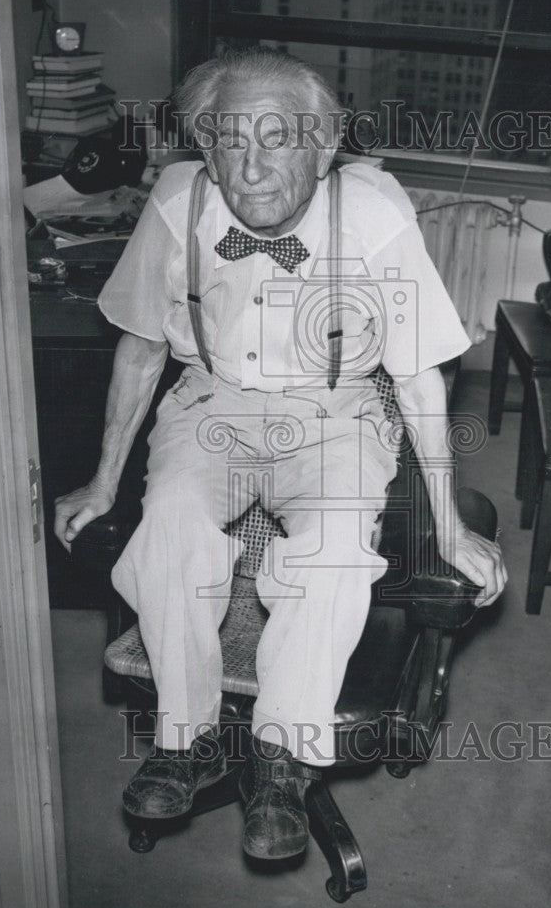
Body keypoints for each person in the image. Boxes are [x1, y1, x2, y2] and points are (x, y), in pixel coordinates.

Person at [54, 48, 507, 860]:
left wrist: (448, 527)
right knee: (167, 536)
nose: (249, 169)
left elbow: (416, 373)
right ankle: (184, 738)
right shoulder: (176, 198)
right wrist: (99, 480)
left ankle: (281, 757)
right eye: (227, 141)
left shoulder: (372, 209)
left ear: (325, 149)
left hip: (335, 406)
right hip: (213, 398)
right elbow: (138, 352)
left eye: (278, 140)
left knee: (332, 555)